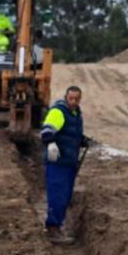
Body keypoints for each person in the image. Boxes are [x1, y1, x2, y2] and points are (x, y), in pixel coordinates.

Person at [40, 86, 91, 244]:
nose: (74, 101)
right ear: (65, 97)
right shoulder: (59, 111)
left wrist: (82, 140)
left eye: (77, 99)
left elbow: (70, 133)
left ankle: (58, 225)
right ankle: (53, 229)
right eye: (71, 98)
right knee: (58, 195)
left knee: (65, 196)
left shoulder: (75, 114)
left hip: (69, 162)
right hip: (58, 162)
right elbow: (47, 131)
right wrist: (50, 143)